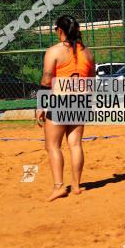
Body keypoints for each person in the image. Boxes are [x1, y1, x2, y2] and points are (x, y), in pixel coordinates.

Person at [36, 15, 96, 201]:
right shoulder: (88, 53)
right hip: (81, 101)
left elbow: (46, 81)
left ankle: (59, 187)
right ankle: (76, 185)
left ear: (59, 31)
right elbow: (92, 82)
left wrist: (41, 106)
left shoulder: (54, 51)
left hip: (61, 101)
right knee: (75, 144)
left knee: (52, 145)